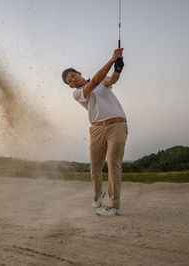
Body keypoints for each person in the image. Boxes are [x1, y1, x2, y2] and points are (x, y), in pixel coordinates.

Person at [62, 48, 128, 216]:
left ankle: (113, 206)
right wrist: (112, 60)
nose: (72, 80)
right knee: (96, 165)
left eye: (73, 76)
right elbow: (94, 82)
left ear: (78, 72)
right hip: (97, 129)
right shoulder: (77, 93)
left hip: (117, 125)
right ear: (70, 86)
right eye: (69, 81)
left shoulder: (102, 82)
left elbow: (111, 79)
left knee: (113, 163)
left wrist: (117, 69)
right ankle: (98, 194)